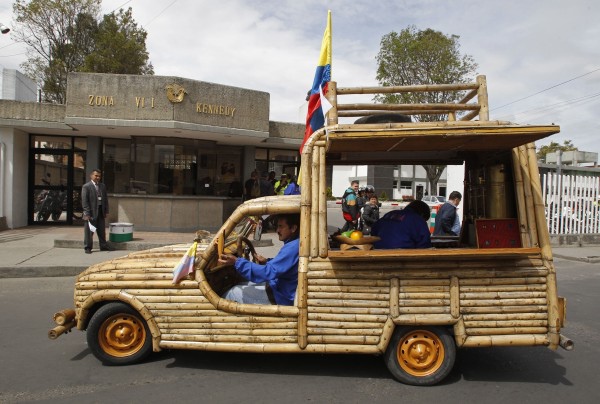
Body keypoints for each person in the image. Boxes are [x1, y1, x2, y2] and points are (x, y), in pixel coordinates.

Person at [217, 214, 300, 305]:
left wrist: (237, 262)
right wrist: (266, 262)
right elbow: (280, 267)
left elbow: (268, 272)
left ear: (293, 228)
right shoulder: (294, 243)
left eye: (281, 227)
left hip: (281, 296)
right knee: (241, 284)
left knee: (232, 293)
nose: (277, 230)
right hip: (280, 287)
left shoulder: (292, 247)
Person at [81, 169, 113, 254]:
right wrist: (87, 213)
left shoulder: (102, 186)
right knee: (89, 232)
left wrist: (106, 210)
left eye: (99, 176)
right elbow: (84, 201)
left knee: (101, 231)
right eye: (96, 176)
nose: (98, 177)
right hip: (90, 213)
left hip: (100, 211)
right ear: (91, 176)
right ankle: (88, 247)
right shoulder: (86, 186)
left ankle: (103, 246)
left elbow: (105, 199)